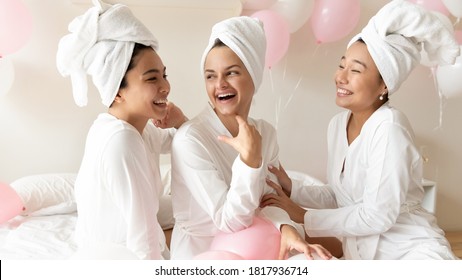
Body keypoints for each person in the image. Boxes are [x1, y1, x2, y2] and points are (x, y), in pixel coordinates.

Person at [261, 0, 460, 260]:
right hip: (363, 254)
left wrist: (304, 216)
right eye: (342, 65)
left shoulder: (390, 128)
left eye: (355, 70)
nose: (341, 77)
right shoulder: (337, 125)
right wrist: (294, 188)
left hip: (410, 252)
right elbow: (341, 195)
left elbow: (377, 215)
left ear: (383, 86)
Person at [169, 16, 333, 260]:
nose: (220, 85)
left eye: (231, 73)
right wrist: (249, 161)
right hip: (203, 254)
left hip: (258, 242)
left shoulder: (265, 132)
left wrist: (285, 228)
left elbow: (270, 199)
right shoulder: (190, 140)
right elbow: (228, 221)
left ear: (254, 76)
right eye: (210, 76)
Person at [56, 0, 187, 260]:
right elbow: (143, 237)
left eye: (164, 75)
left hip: (123, 233)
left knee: (201, 209)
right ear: (117, 91)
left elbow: (179, 141)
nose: (165, 87)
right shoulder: (121, 140)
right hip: (119, 253)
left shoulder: (133, 126)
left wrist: (181, 121)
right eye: (152, 78)